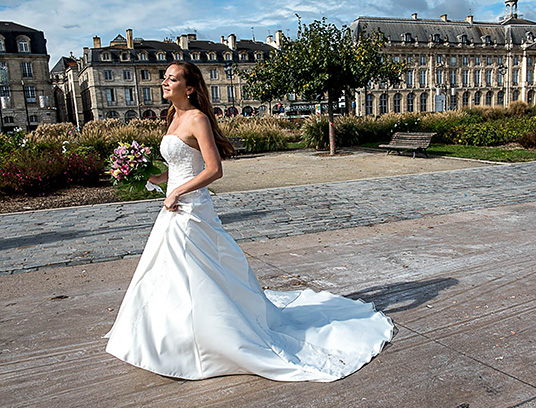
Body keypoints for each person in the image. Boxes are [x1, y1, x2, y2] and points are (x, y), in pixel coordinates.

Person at [105, 61, 394, 382]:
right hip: (173, 204)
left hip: (190, 209)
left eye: (171, 78)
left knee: (194, 272)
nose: (164, 82)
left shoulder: (197, 118)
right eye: (165, 78)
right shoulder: (173, 117)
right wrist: (153, 177)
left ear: (189, 88)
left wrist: (179, 191)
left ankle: (209, 337)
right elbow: (179, 166)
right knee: (169, 270)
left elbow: (213, 170)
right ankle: (168, 337)